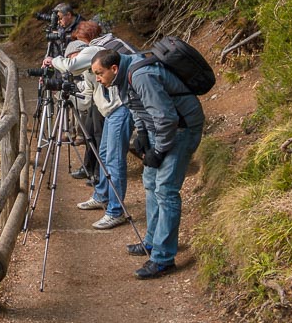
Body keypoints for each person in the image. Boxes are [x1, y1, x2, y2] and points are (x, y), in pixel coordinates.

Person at [90, 48, 205, 279]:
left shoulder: (141, 76)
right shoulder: (122, 77)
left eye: (99, 73)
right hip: (159, 129)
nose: (97, 79)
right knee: (150, 182)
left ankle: (163, 258)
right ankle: (152, 242)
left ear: (114, 68)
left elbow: (167, 118)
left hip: (180, 130)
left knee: (166, 190)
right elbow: (136, 107)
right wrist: (142, 134)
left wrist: (159, 151)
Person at [45, 21, 132, 230]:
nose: (73, 56)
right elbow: (84, 100)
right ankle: (102, 195)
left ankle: (115, 211)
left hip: (120, 110)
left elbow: (70, 65)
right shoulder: (93, 69)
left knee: (113, 161)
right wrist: (63, 92)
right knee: (103, 155)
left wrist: (53, 60)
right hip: (111, 113)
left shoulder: (94, 50)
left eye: (75, 50)